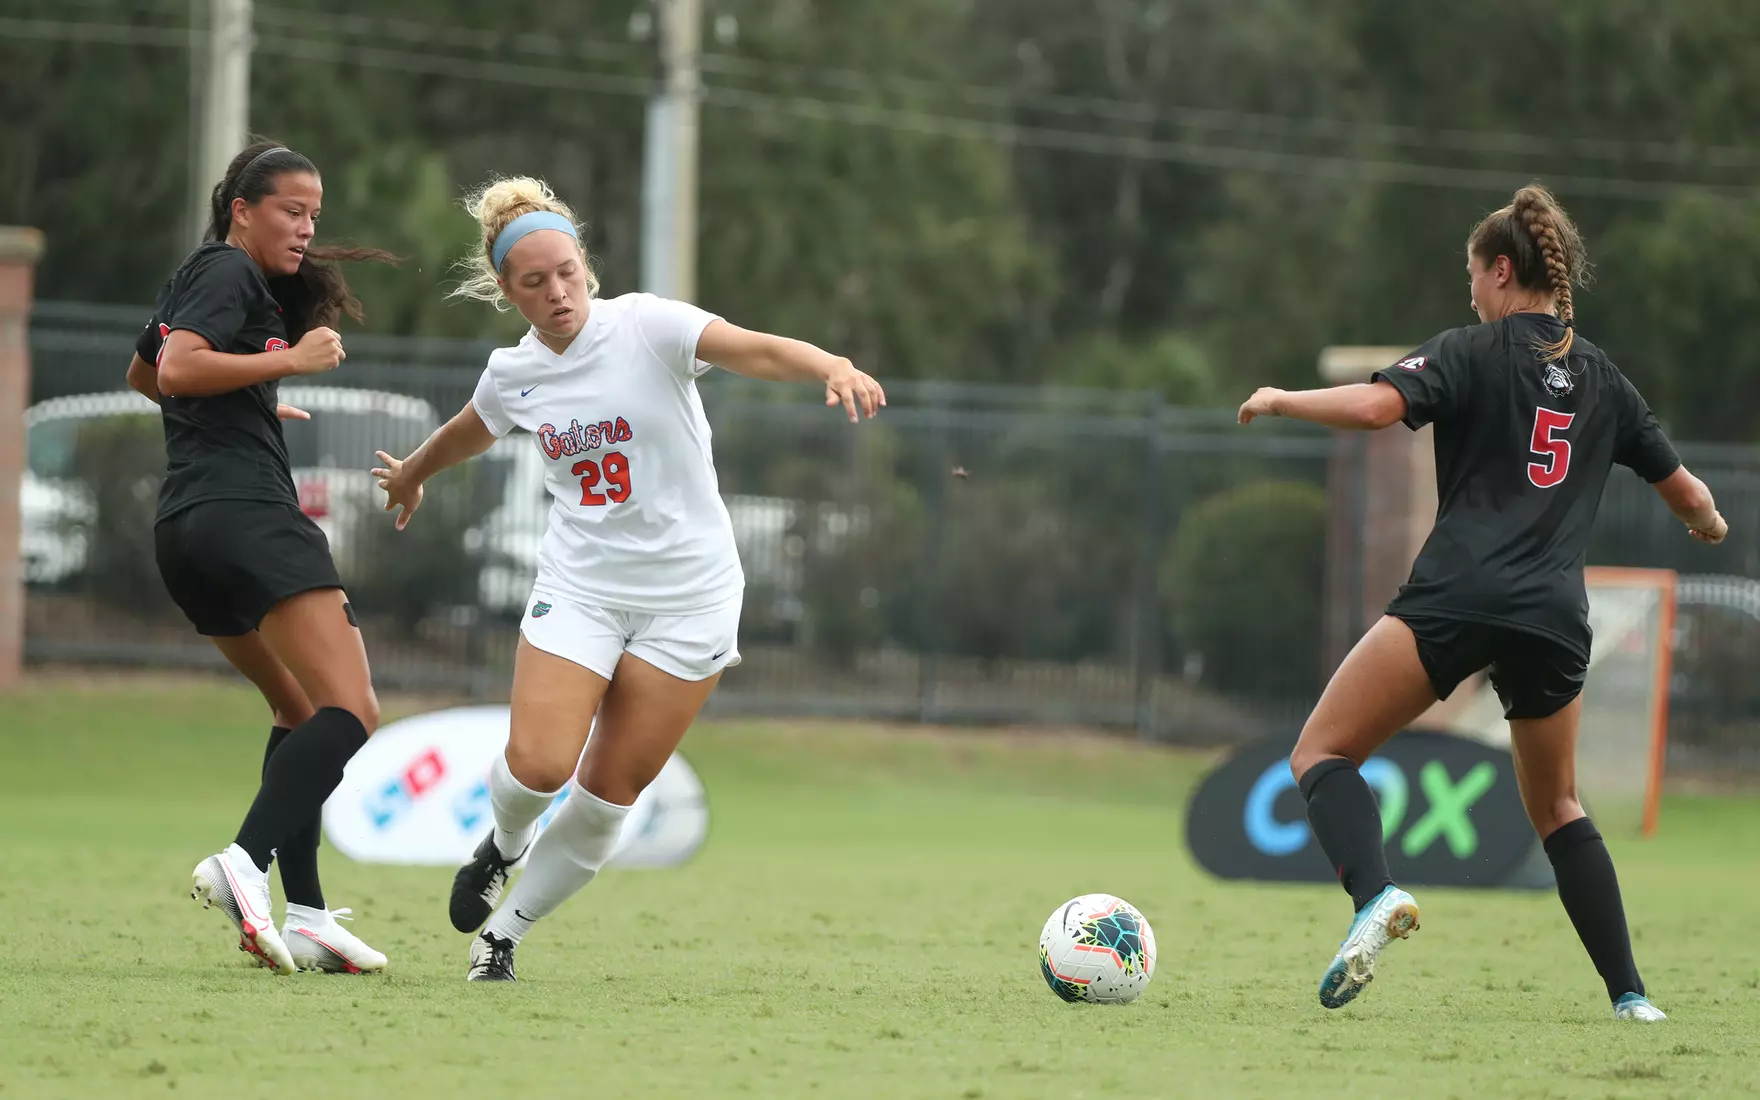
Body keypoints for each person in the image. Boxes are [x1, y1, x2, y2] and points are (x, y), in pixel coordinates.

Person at [372, 176, 885, 982]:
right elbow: (471, 430)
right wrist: (413, 473)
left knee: (609, 792)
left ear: (585, 264)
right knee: (539, 766)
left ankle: (502, 937)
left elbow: (751, 347)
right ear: (507, 290)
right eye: (535, 281)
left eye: (567, 271)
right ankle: (502, 845)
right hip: (583, 588)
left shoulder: (647, 325)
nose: (558, 292)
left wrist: (832, 364)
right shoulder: (513, 373)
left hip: (691, 600)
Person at [1236, 184, 1725, 1021]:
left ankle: (1376, 895)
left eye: (1472, 276)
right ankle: (1631, 996)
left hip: (1458, 595)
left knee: (1321, 753)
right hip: (1555, 617)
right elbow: (1689, 495)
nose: (1469, 294)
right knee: (1559, 807)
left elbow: (1376, 407)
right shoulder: (1605, 379)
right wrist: (1709, 525)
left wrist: (1282, 400)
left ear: (1502, 270)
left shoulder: (1471, 350)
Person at [128, 140, 396, 975]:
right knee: (352, 711)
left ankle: (308, 917)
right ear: (242, 211)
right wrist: (286, 361)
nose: (307, 228)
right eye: (292, 210)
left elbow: (143, 374)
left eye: (314, 214)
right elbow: (177, 368)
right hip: (246, 515)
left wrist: (249, 398)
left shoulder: (198, 275)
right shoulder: (229, 270)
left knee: (299, 708)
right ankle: (242, 863)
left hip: (187, 529)